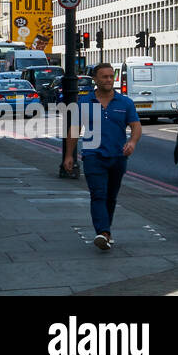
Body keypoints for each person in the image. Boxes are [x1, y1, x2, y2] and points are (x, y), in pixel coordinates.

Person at [63, 63, 140, 251]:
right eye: (104, 77)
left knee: (111, 197)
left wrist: (132, 142)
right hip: (93, 156)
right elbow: (74, 130)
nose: (108, 80)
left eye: (110, 76)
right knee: (98, 194)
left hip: (118, 157)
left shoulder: (125, 102)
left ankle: (106, 232)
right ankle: (103, 232)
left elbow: (136, 126)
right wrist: (68, 156)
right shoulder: (84, 103)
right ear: (95, 80)